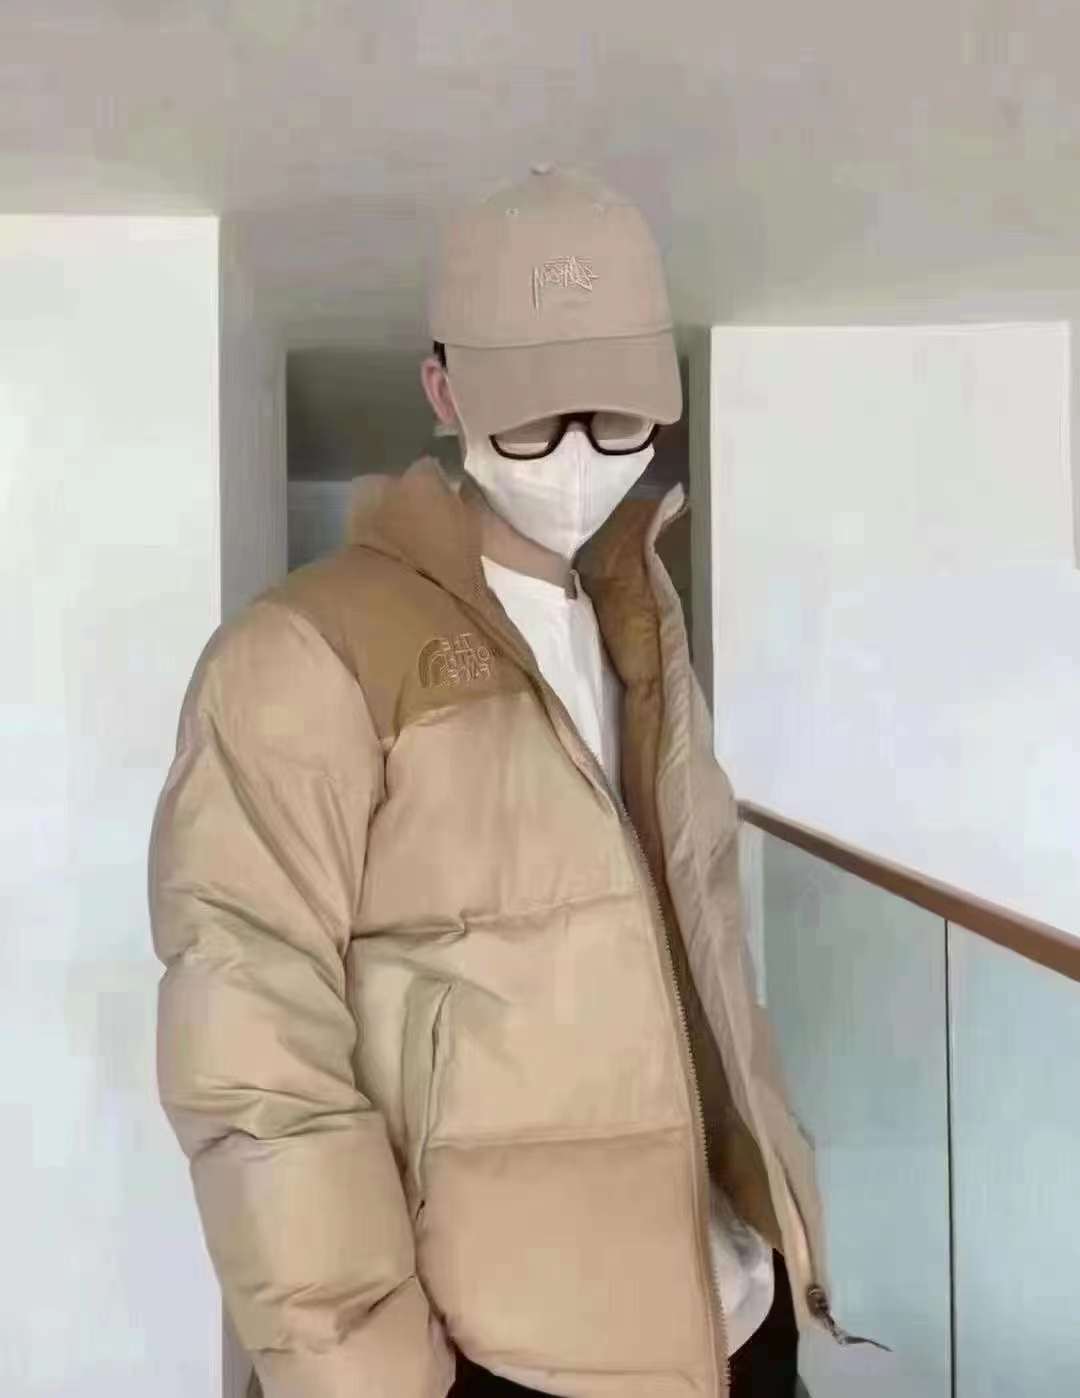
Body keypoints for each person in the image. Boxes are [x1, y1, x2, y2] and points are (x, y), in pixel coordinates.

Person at [149, 165, 833, 1398]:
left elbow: (709, 961)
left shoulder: (641, 624)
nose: (575, 454)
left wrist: (778, 1230)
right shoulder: (304, 653)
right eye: (530, 419)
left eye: (614, 416)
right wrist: (374, 1376)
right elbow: (253, 1060)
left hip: (736, 1316)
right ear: (443, 391)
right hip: (499, 1358)